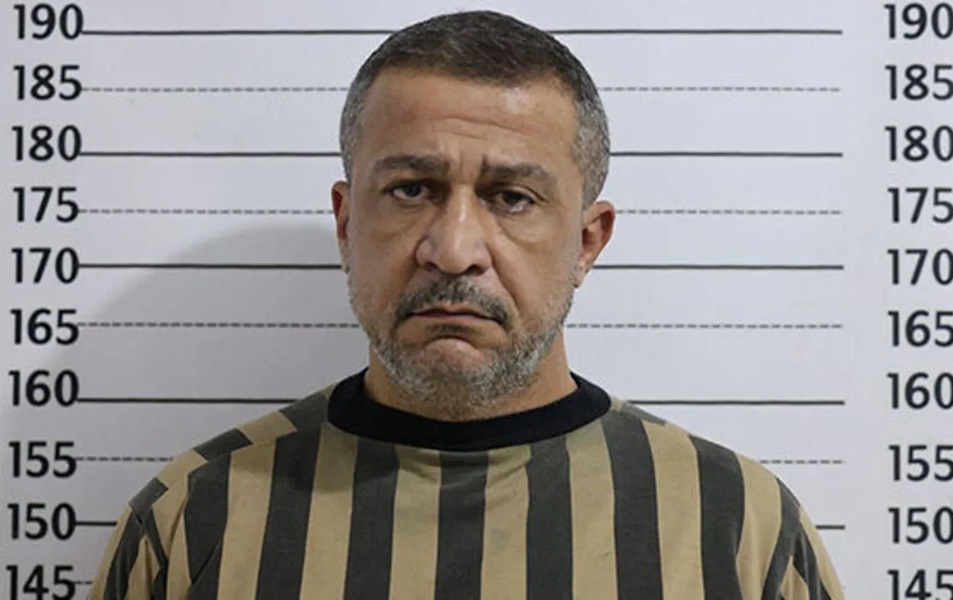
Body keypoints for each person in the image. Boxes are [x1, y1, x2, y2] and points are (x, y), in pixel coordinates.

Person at [91, 10, 843, 600]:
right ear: (348, 224)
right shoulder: (195, 517)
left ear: (587, 241)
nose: (453, 250)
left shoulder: (736, 526)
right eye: (411, 189)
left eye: (511, 197)